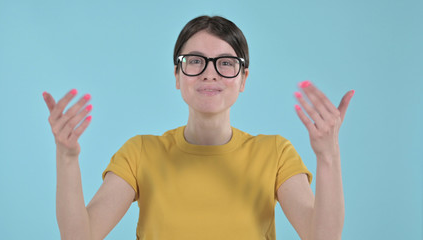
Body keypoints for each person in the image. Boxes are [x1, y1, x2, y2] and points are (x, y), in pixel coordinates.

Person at [43, 15, 354, 240]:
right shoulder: (140, 153)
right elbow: (78, 237)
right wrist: (67, 158)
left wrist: (329, 156)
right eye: (195, 61)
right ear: (178, 76)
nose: (210, 74)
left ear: (243, 78)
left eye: (226, 63)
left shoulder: (275, 153)